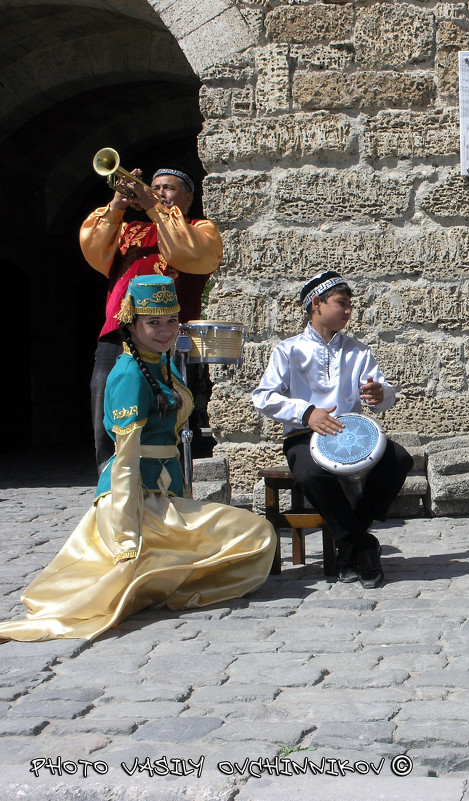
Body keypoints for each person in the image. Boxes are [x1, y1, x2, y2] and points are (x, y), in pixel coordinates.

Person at [0, 276, 275, 642]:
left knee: (249, 534)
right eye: (153, 322)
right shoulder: (130, 374)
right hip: (136, 504)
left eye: (172, 321)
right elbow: (126, 462)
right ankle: (168, 587)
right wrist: (127, 539)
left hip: (165, 500)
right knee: (257, 532)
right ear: (131, 324)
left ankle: (164, 582)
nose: (165, 331)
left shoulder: (163, 365)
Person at [252, 271, 414, 588]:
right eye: (342, 303)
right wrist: (306, 411)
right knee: (310, 475)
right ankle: (364, 546)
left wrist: (383, 394)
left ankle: (349, 545)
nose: (348, 312)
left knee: (399, 459)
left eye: (350, 305)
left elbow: (380, 395)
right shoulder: (289, 350)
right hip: (304, 435)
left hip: (353, 436)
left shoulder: (359, 351)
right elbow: (263, 397)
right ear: (317, 303)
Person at [81, 163, 222, 472]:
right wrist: (118, 205)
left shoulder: (200, 229)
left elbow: (190, 254)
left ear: (187, 199)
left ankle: (161, 480)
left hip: (165, 338)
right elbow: (94, 250)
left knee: (161, 412)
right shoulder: (130, 230)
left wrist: (153, 206)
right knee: (105, 402)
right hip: (117, 333)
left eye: (168, 188)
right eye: (154, 187)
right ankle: (110, 477)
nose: (158, 192)